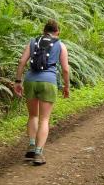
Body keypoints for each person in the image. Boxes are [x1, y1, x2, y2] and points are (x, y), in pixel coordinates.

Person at [13, 19, 70, 165]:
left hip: (30, 80)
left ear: (44, 31)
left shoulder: (33, 42)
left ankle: (31, 145)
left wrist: (18, 81)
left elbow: (21, 62)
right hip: (48, 82)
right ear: (58, 32)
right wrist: (66, 86)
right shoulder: (60, 45)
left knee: (33, 115)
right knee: (44, 119)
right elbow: (65, 69)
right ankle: (38, 153)